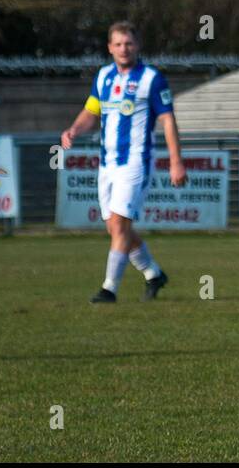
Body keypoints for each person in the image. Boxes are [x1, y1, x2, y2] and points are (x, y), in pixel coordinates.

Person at [60, 21, 186, 303]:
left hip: (135, 163)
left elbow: (167, 120)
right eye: (117, 44)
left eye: (128, 43)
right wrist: (73, 129)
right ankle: (154, 273)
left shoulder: (152, 79)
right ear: (109, 48)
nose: (123, 49)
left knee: (119, 226)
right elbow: (91, 111)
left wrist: (176, 160)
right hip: (107, 164)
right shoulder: (103, 76)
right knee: (116, 228)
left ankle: (109, 289)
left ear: (137, 45)